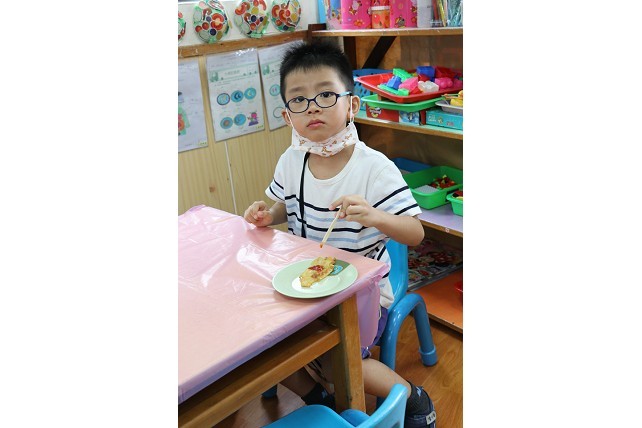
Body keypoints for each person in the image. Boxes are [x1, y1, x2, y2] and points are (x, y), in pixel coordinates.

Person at [243, 39, 436, 428]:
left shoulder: (374, 167)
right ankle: (321, 398)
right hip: (306, 283)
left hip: (361, 292)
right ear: (288, 116)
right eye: (299, 99)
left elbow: (415, 233)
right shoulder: (291, 160)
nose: (312, 106)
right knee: (263, 348)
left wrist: (376, 216)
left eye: (326, 94)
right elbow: (285, 206)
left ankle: (411, 397)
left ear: (352, 105)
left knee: (336, 358)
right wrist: (267, 216)